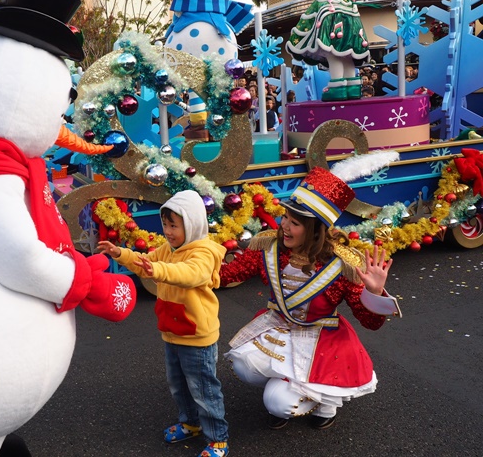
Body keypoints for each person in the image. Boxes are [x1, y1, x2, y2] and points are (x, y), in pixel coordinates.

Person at [221, 161, 402, 431]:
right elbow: (230, 273)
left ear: (316, 229)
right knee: (244, 365)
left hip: (321, 338)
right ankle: (289, 389)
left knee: (277, 403)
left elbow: (371, 322)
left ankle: (324, 402)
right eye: (285, 218)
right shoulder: (269, 247)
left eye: (294, 223)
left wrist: (374, 292)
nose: (284, 226)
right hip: (279, 328)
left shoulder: (343, 265)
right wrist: (187, 267)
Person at [97, 190, 229, 457]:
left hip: (196, 335)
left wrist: (156, 270)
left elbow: (190, 275)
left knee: (204, 389)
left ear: (191, 224)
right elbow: (145, 262)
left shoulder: (203, 253)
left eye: (174, 226)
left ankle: (218, 438)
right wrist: (121, 253)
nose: (168, 231)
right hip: (172, 330)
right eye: (165, 224)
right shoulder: (169, 250)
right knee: (179, 385)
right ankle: (190, 423)